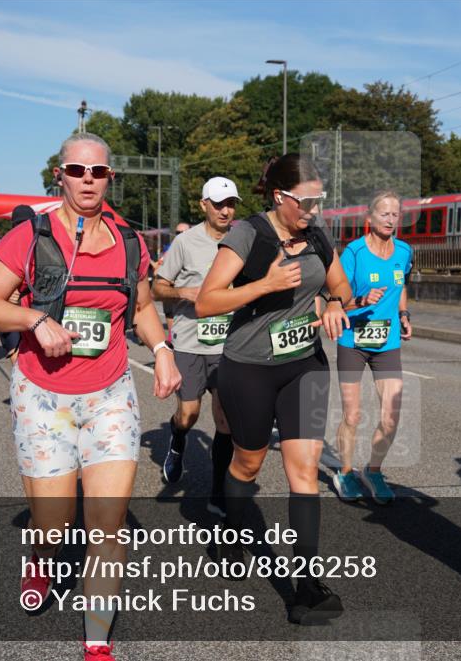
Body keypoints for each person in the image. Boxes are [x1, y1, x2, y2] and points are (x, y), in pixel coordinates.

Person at [0, 132, 180, 661]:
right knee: (55, 522)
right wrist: (33, 318)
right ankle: (41, 553)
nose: (88, 180)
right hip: (42, 395)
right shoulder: (30, 237)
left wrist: (160, 350)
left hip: (110, 393)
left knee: (106, 527)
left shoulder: (131, 241)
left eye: (99, 172)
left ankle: (95, 644)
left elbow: (141, 308)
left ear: (111, 178)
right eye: (77, 170)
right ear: (59, 176)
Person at [195, 154, 353, 625]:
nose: (311, 210)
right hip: (250, 367)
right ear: (280, 196)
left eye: (317, 201)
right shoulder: (249, 234)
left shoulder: (318, 237)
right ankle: (230, 530)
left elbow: (340, 286)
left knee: (304, 470)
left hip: (304, 364)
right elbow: (206, 302)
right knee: (248, 461)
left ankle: (304, 585)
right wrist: (263, 285)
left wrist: (330, 302)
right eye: (303, 201)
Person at [152, 177, 238, 515]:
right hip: (189, 342)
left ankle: (218, 493)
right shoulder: (186, 242)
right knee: (189, 414)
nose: (225, 210)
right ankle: (177, 438)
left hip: (230, 346)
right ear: (204, 205)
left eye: (230, 203)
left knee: (226, 421)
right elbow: (159, 287)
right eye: (218, 204)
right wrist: (182, 293)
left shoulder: (243, 240)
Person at [332, 190, 413, 504]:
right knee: (352, 416)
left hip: (387, 342)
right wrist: (361, 301)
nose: (391, 219)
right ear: (370, 218)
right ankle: (345, 472)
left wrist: (404, 314)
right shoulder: (353, 252)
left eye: (395, 214)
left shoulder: (404, 251)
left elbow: (401, 285)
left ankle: (373, 470)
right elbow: (336, 300)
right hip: (353, 340)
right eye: (385, 214)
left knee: (391, 416)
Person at [0, 205, 37, 364]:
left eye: (27, 223)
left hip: (34, 312)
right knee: (17, 358)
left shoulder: (43, 244)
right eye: (19, 224)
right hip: (10, 312)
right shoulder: (5, 246)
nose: (23, 229)